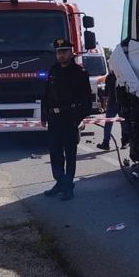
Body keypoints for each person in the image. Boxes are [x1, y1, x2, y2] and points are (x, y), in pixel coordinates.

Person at [40, 38, 92, 201]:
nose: (61, 55)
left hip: (69, 119)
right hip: (54, 119)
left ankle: (68, 185)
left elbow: (86, 101)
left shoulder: (80, 73)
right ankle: (61, 182)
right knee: (55, 154)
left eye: (64, 52)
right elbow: (46, 95)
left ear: (71, 53)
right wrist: (44, 115)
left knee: (70, 154)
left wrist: (76, 118)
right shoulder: (53, 70)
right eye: (58, 52)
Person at [96, 70, 129, 150]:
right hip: (114, 103)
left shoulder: (121, 75)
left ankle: (123, 142)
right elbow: (107, 91)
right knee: (110, 123)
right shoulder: (111, 77)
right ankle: (107, 143)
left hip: (120, 103)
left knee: (122, 123)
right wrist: (104, 103)